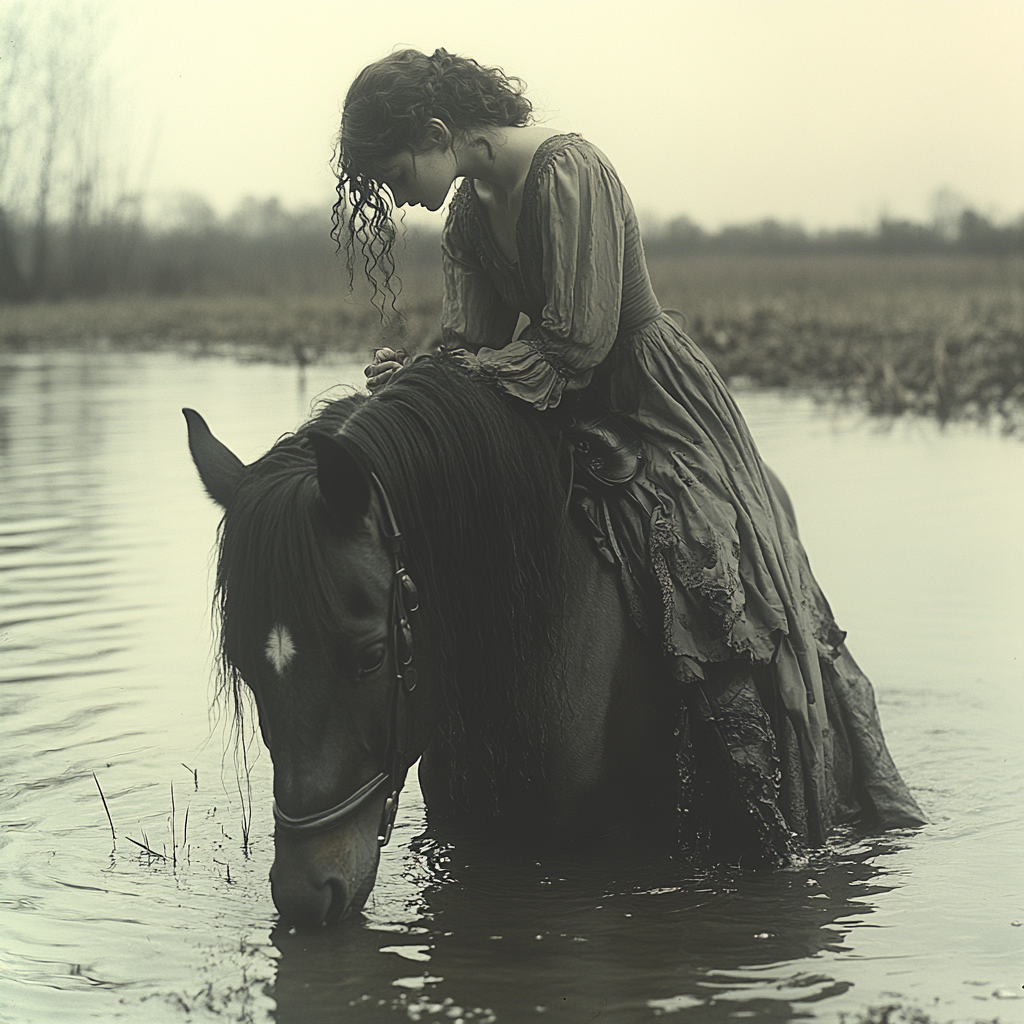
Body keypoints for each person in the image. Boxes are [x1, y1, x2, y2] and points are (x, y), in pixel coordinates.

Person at [335, 48, 924, 863]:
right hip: (541, 404)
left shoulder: (569, 172)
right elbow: (475, 342)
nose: (399, 197)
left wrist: (459, 376)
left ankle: (762, 778)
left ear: (437, 132)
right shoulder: (471, 214)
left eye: (397, 172)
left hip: (646, 397)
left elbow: (577, 343)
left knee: (709, 559)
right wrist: (424, 380)